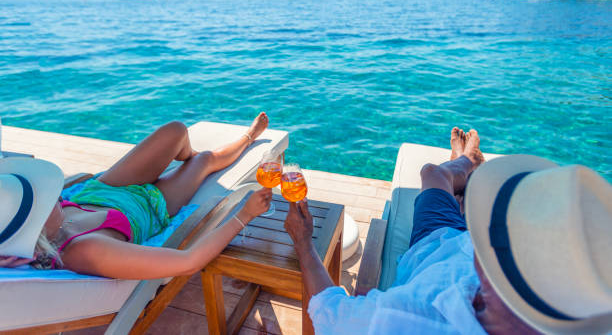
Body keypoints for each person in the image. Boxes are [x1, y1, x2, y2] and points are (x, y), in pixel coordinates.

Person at [285, 128, 612, 334]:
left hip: (435, 244)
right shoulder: (576, 301)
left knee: (433, 175)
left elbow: (328, 311)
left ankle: (466, 162)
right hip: (453, 241)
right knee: (460, 201)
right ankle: (464, 169)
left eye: (489, 229)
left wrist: (303, 242)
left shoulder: (400, 320)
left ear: (483, 261)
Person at [0, 113, 273, 279]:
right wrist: (244, 214)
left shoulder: (41, 225)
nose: (56, 196)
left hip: (105, 188)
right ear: (34, 227)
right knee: (203, 162)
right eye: (46, 198)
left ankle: (183, 157)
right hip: (149, 204)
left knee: (175, 130)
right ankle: (249, 136)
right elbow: (190, 262)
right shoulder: (85, 251)